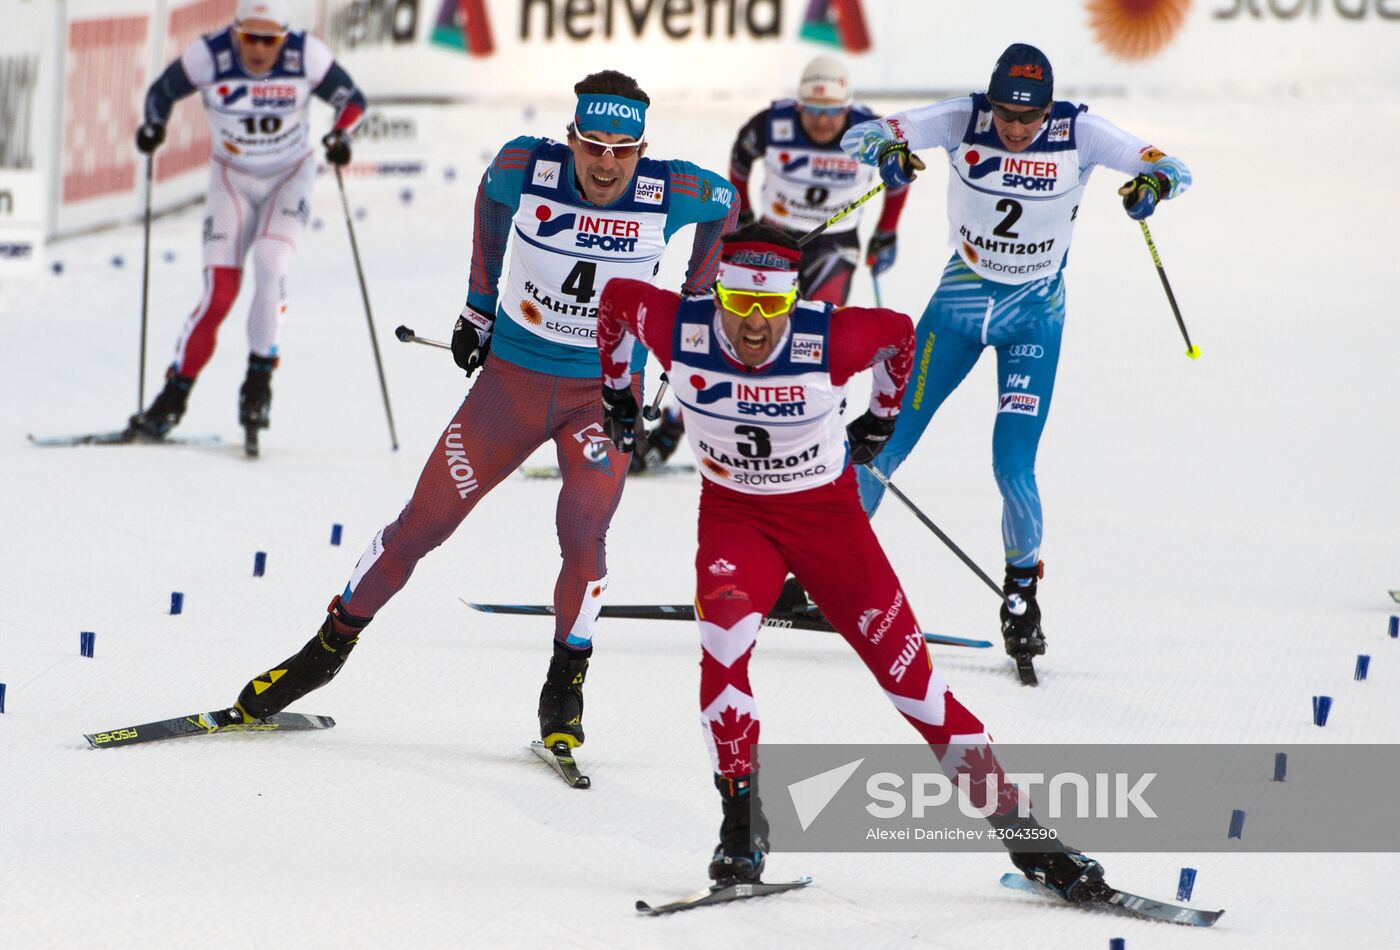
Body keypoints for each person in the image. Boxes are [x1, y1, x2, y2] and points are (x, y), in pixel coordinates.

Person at [592, 222, 1113, 900]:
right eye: (739, 307)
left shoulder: (828, 337)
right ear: (716, 294)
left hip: (829, 524)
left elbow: (900, 334)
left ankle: (1028, 838)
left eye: (770, 308)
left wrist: (882, 417)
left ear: (792, 301)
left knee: (916, 691)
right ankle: (741, 828)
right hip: (735, 521)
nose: (753, 327)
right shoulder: (678, 324)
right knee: (721, 656)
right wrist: (616, 394)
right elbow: (614, 301)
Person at [232, 70, 739, 759]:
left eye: (624, 150)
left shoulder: (673, 189)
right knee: (421, 526)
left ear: (642, 148)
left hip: (600, 396)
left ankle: (566, 680)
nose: (607, 163)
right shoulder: (525, 166)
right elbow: (492, 200)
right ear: (572, 140)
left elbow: (726, 204)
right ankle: (326, 650)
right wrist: (479, 303)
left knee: (585, 529)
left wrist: (697, 300)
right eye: (594, 146)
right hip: (512, 386)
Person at [842, 43, 1192, 666]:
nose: (1016, 128)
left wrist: (1153, 182)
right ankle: (823, 570)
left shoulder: (1078, 130)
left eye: (1029, 118)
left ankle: (1022, 595)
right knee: (883, 446)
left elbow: (1170, 165)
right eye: (1006, 113)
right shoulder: (963, 118)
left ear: (1049, 109)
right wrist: (890, 151)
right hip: (956, 310)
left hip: (1034, 317)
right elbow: (862, 135)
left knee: (1012, 467)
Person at [638, 55, 910, 612]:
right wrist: (738, 217)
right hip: (769, 244)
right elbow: (740, 160)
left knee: (811, 350)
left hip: (832, 246)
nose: (821, 121)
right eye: (813, 109)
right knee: (728, 343)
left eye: (831, 112)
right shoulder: (773, 122)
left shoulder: (868, 130)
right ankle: (671, 430)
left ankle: (818, 438)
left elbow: (898, 179)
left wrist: (885, 233)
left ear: (845, 107)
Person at [125, 0, 366, 448]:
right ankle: (172, 396)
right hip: (231, 179)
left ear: (283, 36)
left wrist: (339, 135)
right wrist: (154, 124)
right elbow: (161, 90)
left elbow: (352, 100)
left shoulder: (304, 54)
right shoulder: (210, 54)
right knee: (220, 294)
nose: (257, 49)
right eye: (248, 38)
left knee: (272, 264)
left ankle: (258, 383)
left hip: (289, 176)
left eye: (268, 39)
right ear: (235, 34)